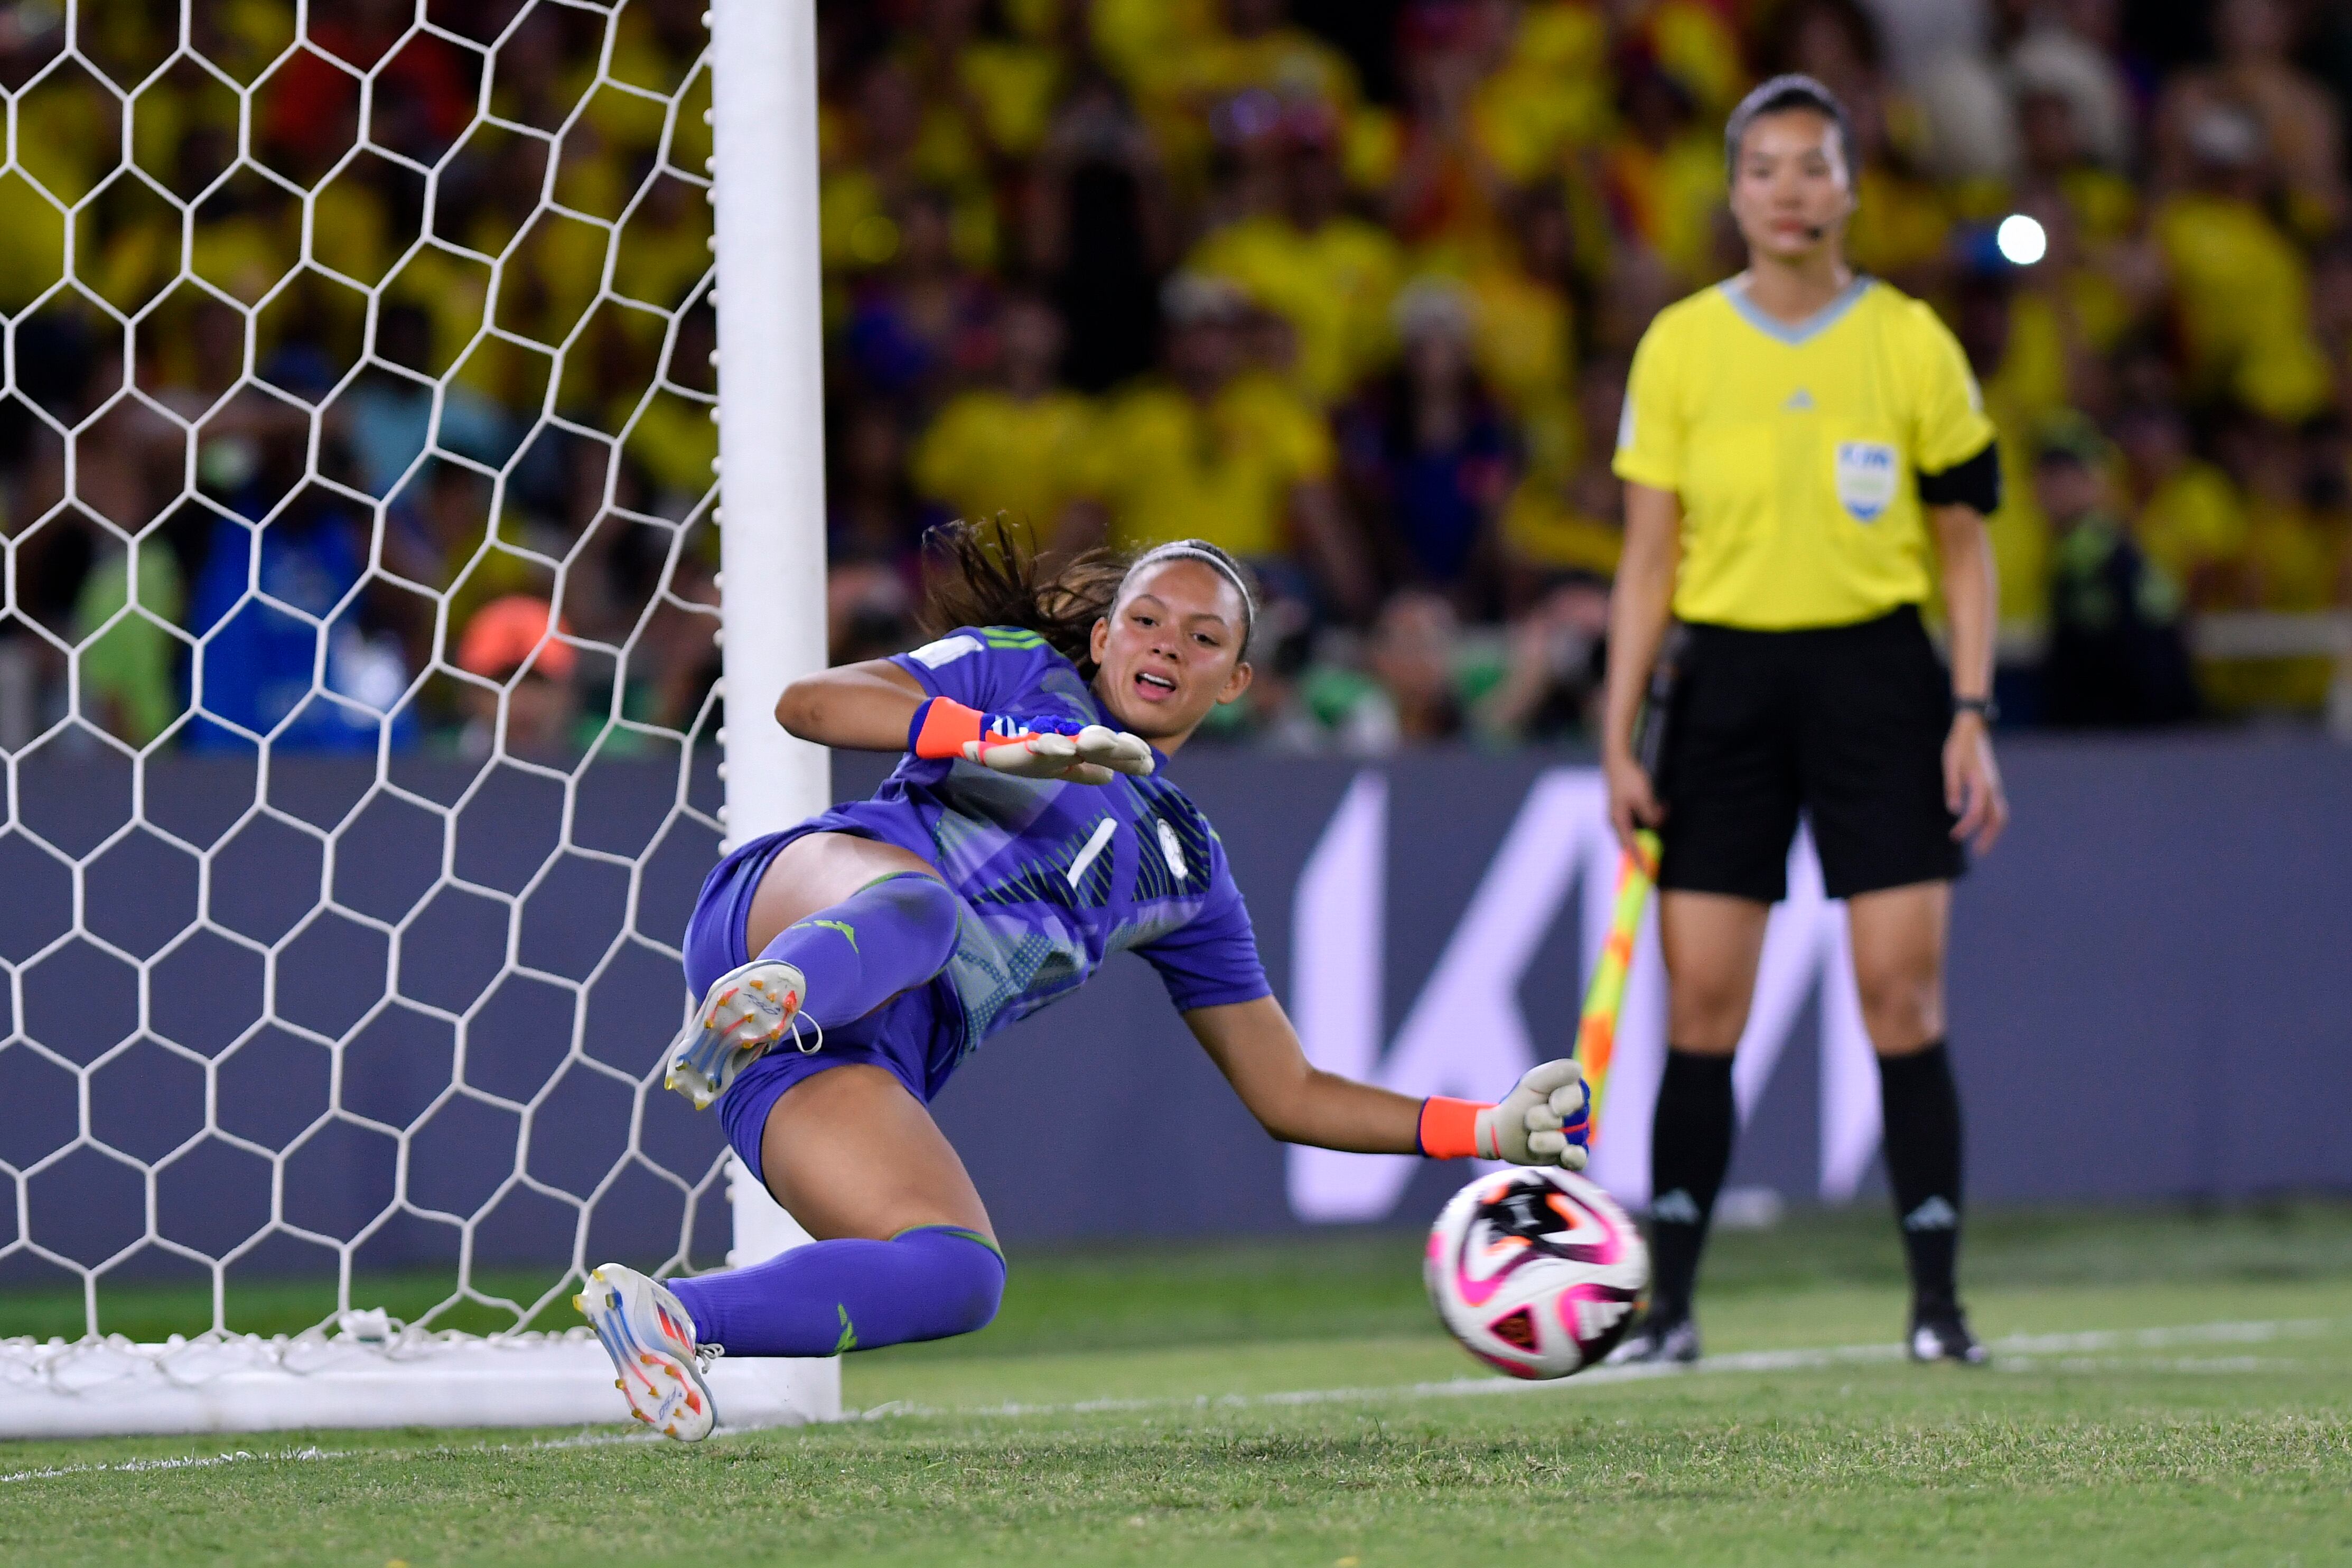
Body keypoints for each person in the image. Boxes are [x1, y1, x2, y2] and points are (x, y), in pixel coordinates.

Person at [575, 520, 1596, 1440]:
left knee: (958, 1274)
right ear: (1102, 637)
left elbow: (1289, 1093)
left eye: (1204, 639)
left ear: (1236, 681)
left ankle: (671, 1317)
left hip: (852, 1052)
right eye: (1146, 620)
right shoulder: (1018, 675)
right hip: (803, 909)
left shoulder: (1188, 871)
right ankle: (770, 992)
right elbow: (809, 703)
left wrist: (1489, 1130)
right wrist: (998, 742)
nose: (1168, 645)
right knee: (925, 912)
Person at [1602, 76, 2010, 1367]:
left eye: (1813, 166)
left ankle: (1938, 1307)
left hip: (1879, 684)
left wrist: (1970, 708)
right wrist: (1619, 731)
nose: (1790, 190)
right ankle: (1670, 1308)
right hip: (1722, 691)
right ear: (1734, 194)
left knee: (1902, 995)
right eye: (1765, 168)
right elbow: (1648, 557)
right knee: (1703, 1006)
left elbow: (1966, 546)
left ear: (1849, 188)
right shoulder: (1679, 344)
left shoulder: (1911, 340)